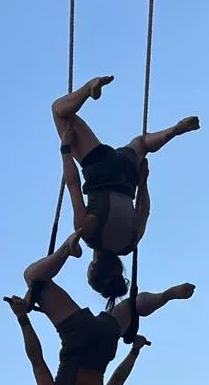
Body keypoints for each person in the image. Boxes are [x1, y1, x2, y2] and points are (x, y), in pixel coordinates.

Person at [7, 230, 194, 385]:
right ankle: (66, 251)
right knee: (33, 278)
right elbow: (37, 360)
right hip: (78, 336)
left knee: (132, 306)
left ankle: (167, 296)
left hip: (106, 346)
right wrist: (23, 319)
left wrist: (134, 352)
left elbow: (116, 382)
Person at [50, 75, 200, 300]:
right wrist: (65, 150)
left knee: (141, 143)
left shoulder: (129, 244)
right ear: (93, 267)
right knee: (60, 112)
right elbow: (72, 185)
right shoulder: (88, 233)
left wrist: (143, 180)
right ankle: (88, 89)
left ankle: (172, 131)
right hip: (99, 168)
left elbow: (144, 211)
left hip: (128, 176)